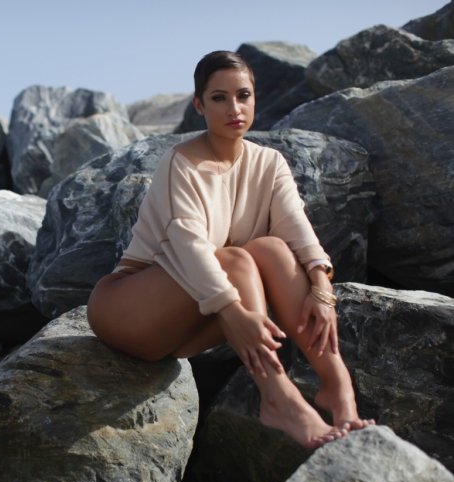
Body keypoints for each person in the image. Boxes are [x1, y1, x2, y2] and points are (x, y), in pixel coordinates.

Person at [87, 50, 373, 449]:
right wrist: (233, 311)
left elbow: (296, 227)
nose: (234, 108)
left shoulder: (269, 163)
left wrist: (321, 285)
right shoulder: (180, 163)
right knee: (236, 259)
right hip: (128, 310)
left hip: (190, 321)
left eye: (243, 95)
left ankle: (338, 389)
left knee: (273, 249)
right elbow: (188, 246)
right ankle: (278, 397)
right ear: (199, 105)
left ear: (255, 98)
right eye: (219, 98)